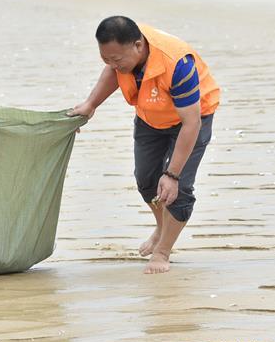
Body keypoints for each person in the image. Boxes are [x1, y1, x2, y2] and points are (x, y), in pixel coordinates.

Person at [69, 16, 220, 274]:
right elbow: (114, 72)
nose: (112, 64)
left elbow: (191, 124)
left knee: (177, 189)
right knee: (147, 181)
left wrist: (172, 174)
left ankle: (163, 251)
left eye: (117, 59)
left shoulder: (178, 64)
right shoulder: (122, 57)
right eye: (106, 59)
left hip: (192, 119)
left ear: (138, 46)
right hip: (151, 117)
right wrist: (90, 104)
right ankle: (162, 228)